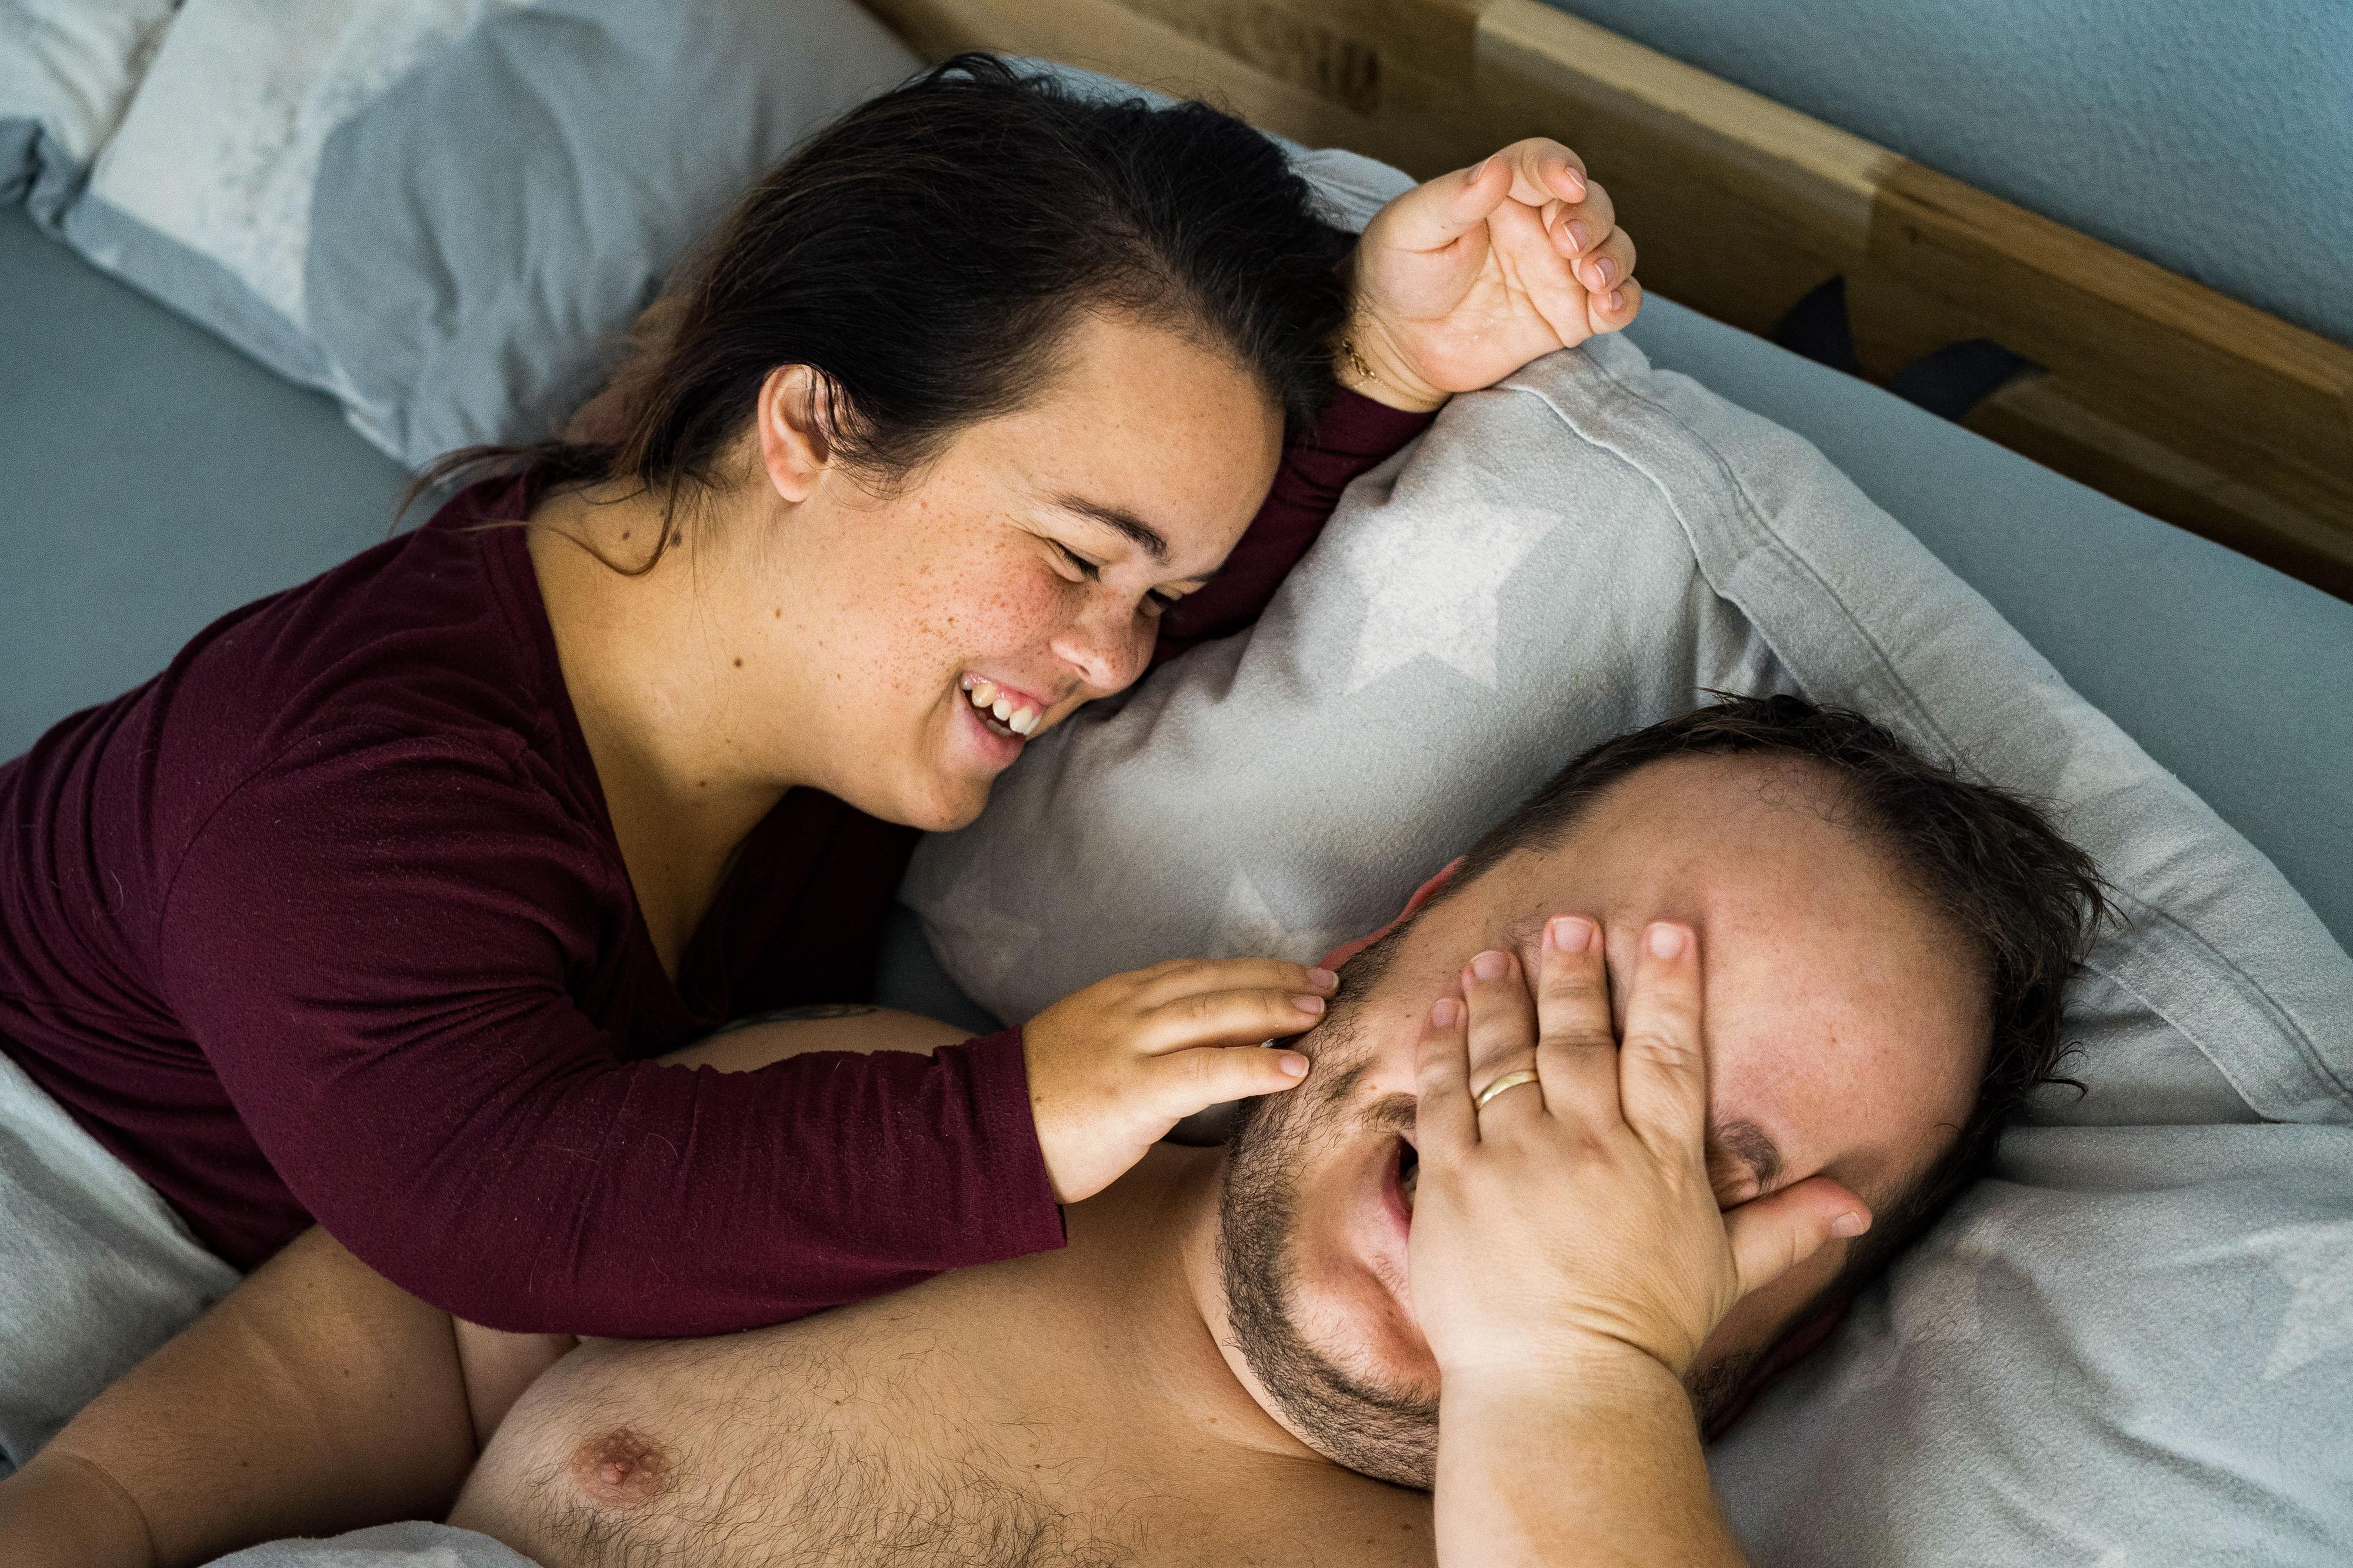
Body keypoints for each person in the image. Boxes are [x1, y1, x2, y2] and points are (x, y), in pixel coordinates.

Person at [0, 55, 1646, 1460]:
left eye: (1160, 592)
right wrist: (1013, 1119)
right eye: (1077, 562)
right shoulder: (338, 786)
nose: (1115, 655)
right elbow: (503, 1204)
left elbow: (1169, 562)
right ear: (812, 427)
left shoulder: (791, 662)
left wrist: (1389, 366)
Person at [1, 697, 2107, 1567]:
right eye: (1575, 1007)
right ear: (1376, 943)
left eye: (1707, 1162)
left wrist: (1577, 1372)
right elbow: (399, 1330)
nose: (1557, 1142)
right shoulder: (866, 1123)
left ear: (1791, 1341)